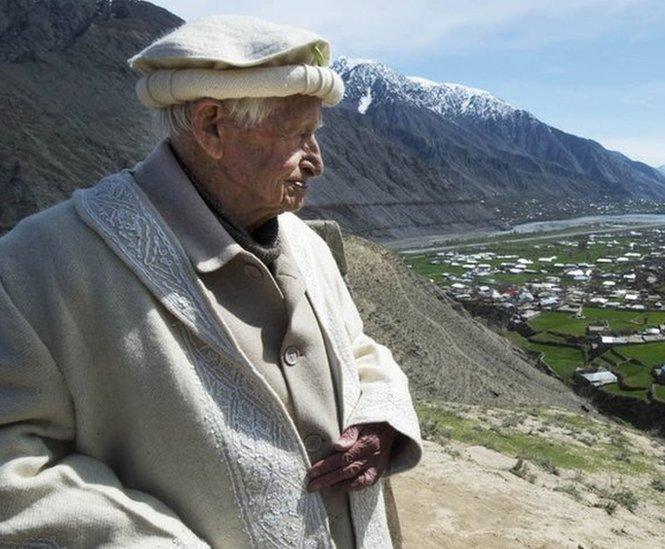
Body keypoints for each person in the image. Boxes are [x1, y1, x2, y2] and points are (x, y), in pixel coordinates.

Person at [0, 15, 422, 548]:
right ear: (212, 126)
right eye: (298, 135)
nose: (317, 161)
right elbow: (13, 468)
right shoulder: (39, 266)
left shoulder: (308, 245)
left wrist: (380, 419)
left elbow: (357, 350)